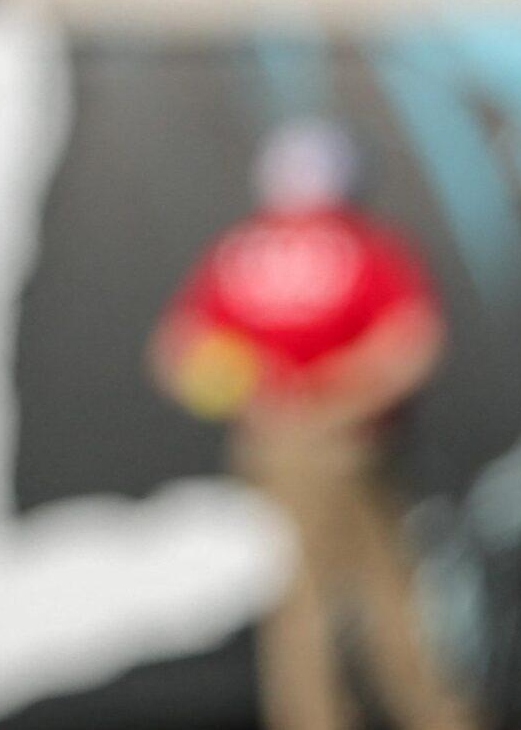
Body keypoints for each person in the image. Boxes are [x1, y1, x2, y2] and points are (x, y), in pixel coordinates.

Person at [148, 120, 472, 730]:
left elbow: (177, 352)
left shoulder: (240, 252)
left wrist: (261, 393)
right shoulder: (363, 246)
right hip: (350, 442)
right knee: (374, 598)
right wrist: (337, 395)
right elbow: (414, 343)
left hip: (284, 448)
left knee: (323, 601)